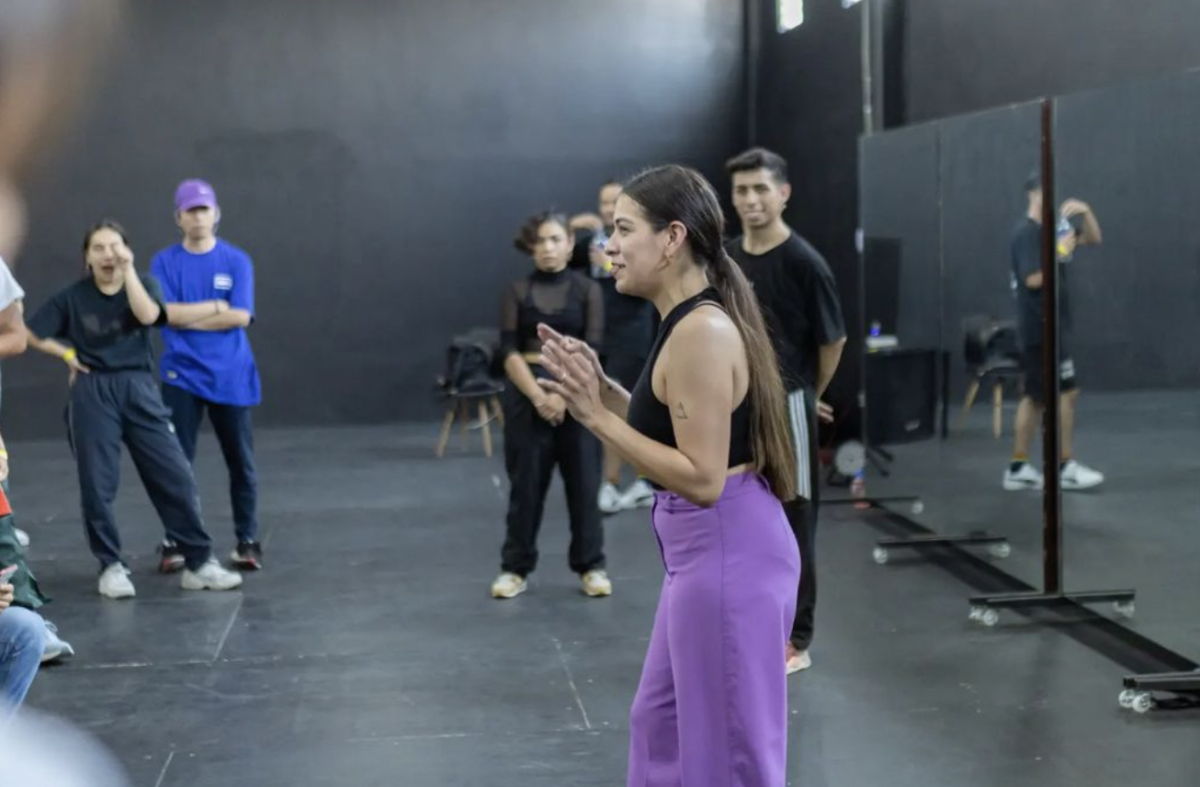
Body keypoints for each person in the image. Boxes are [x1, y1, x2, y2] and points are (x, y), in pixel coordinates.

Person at [539, 165, 800, 787]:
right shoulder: (683, 321)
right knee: (660, 727)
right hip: (707, 552)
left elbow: (702, 477)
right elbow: (678, 433)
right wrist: (605, 392)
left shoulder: (702, 331)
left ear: (672, 237)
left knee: (728, 753)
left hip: (727, 552)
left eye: (623, 229)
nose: (608, 247)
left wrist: (595, 419)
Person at [24, 221, 243, 598]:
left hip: (138, 386)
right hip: (93, 389)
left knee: (174, 474)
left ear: (126, 251)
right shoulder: (72, 297)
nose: (107, 254)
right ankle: (110, 565)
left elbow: (148, 317)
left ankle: (198, 562)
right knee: (98, 482)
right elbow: (30, 331)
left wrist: (128, 274)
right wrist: (67, 353)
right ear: (87, 258)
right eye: (98, 248)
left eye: (115, 247)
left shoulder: (143, 284)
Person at [725, 147, 846, 675]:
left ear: (783, 193)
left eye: (760, 189)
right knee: (741, 515)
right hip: (737, 406)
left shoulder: (805, 263)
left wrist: (806, 392)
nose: (750, 200)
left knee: (796, 519)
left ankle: (796, 639)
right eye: (741, 191)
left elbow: (833, 340)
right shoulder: (726, 258)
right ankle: (751, 623)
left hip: (791, 406)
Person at [490, 211, 610, 600]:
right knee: (525, 487)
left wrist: (562, 394)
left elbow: (594, 347)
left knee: (584, 484)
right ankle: (515, 567)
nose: (548, 247)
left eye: (555, 239)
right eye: (540, 241)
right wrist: (540, 395)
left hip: (577, 397)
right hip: (528, 400)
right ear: (531, 247)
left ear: (569, 244)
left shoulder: (587, 290)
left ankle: (591, 565)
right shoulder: (517, 291)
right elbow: (508, 349)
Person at [151, 180, 262, 571]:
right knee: (175, 463)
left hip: (231, 375)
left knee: (240, 461)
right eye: (190, 210)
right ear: (178, 218)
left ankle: (247, 540)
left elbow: (241, 316)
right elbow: (163, 314)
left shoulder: (237, 261)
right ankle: (175, 540)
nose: (198, 217)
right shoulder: (164, 263)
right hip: (181, 376)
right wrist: (216, 307)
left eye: (204, 209)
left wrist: (190, 314)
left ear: (216, 214)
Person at [1005, 174, 1104, 491]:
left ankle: (1028, 466)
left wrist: (1086, 212)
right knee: (1046, 397)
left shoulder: (1053, 230)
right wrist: (1059, 254)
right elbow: (1032, 279)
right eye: (1046, 190)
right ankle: (1058, 466)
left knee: (1051, 395)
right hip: (1037, 328)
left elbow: (1092, 238)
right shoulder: (1026, 234)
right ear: (1033, 194)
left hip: (1052, 327)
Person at [573, 181, 658, 514]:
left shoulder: (640, 239)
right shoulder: (592, 241)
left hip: (633, 334)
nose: (608, 208)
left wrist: (608, 265)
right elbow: (557, 251)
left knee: (633, 410)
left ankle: (645, 480)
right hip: (600, 336)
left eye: (614, 202)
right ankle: (609, 483)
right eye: (603, 202)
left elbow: (646, 284)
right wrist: (574, 227)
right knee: (605, 411)